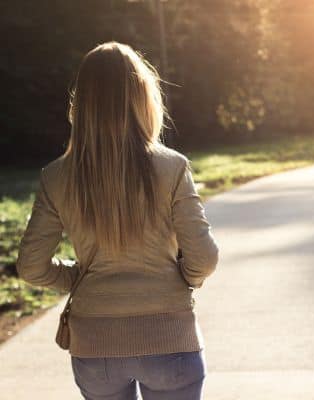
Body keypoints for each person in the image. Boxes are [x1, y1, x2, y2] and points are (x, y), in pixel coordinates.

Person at [15, 41, 219, 400]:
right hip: (169, 340)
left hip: (95, 348)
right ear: (143, 98)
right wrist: (182, 278)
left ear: (83, 105)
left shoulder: (56, 177)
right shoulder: (172, 167)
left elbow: (32, 267)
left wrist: (78, 277)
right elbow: (204, 258)